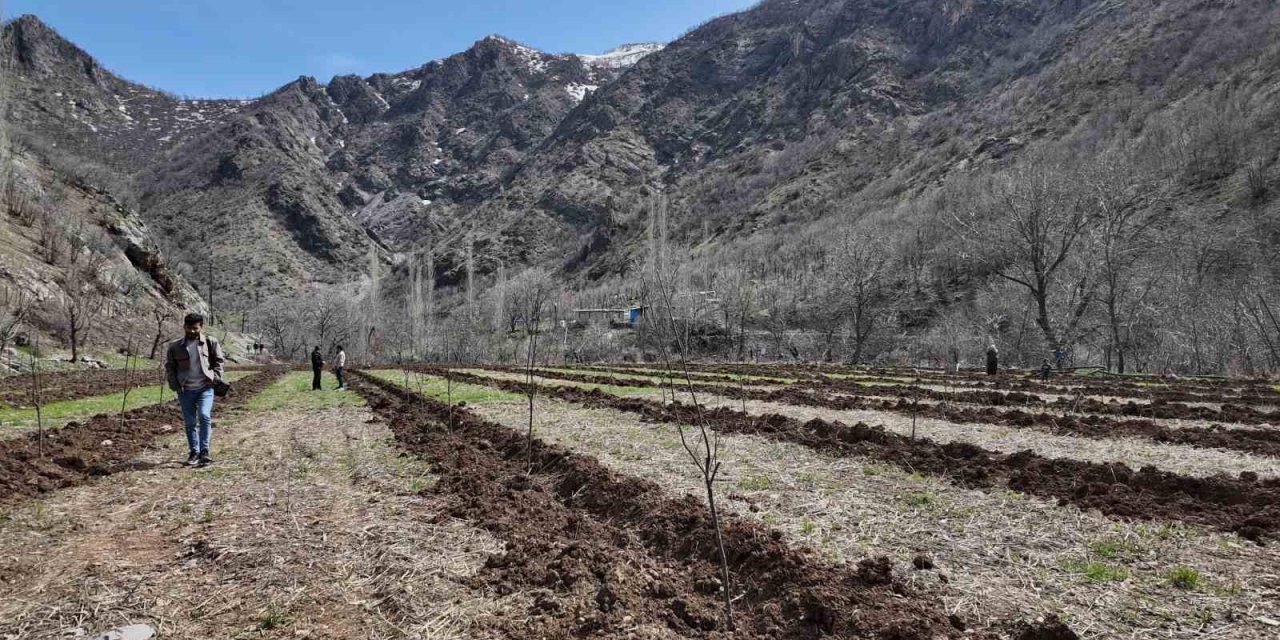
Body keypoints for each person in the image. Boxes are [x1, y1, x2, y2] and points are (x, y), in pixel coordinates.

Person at [164, 313, 225, 467]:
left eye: (195, 328)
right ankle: (194, 452)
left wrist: (215, 377)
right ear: (184, 327)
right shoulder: (175, 347)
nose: (192, 331)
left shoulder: (210, 342)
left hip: (205, 387)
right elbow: (170, 366)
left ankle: (205, 451)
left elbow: (219, 361)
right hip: (185, 390)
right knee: (190, 422)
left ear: (201, 327)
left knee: (204, 416)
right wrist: (174, 383)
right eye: (189, 328)